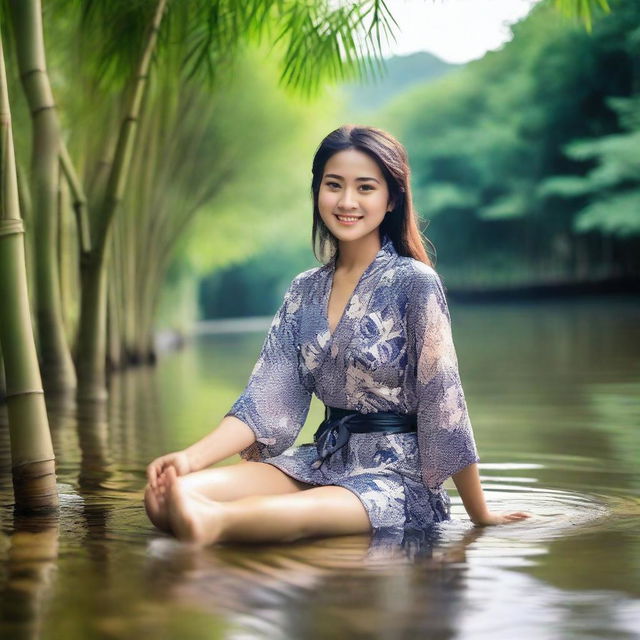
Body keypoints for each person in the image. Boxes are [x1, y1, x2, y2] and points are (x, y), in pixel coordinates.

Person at [144, 124, 532, 545]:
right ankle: (201, 517)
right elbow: (264, 401)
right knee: (170, 496)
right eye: (334, 185)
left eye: (365, 188)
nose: (347, 202)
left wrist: (480, 515)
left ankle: (215, 525)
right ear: (317, 192)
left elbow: (445, 405)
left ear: (392, 199)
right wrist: (188, 459)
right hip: (324, 460)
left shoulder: (415, 283)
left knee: (241, 516)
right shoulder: (303, 290)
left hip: (396, 478)